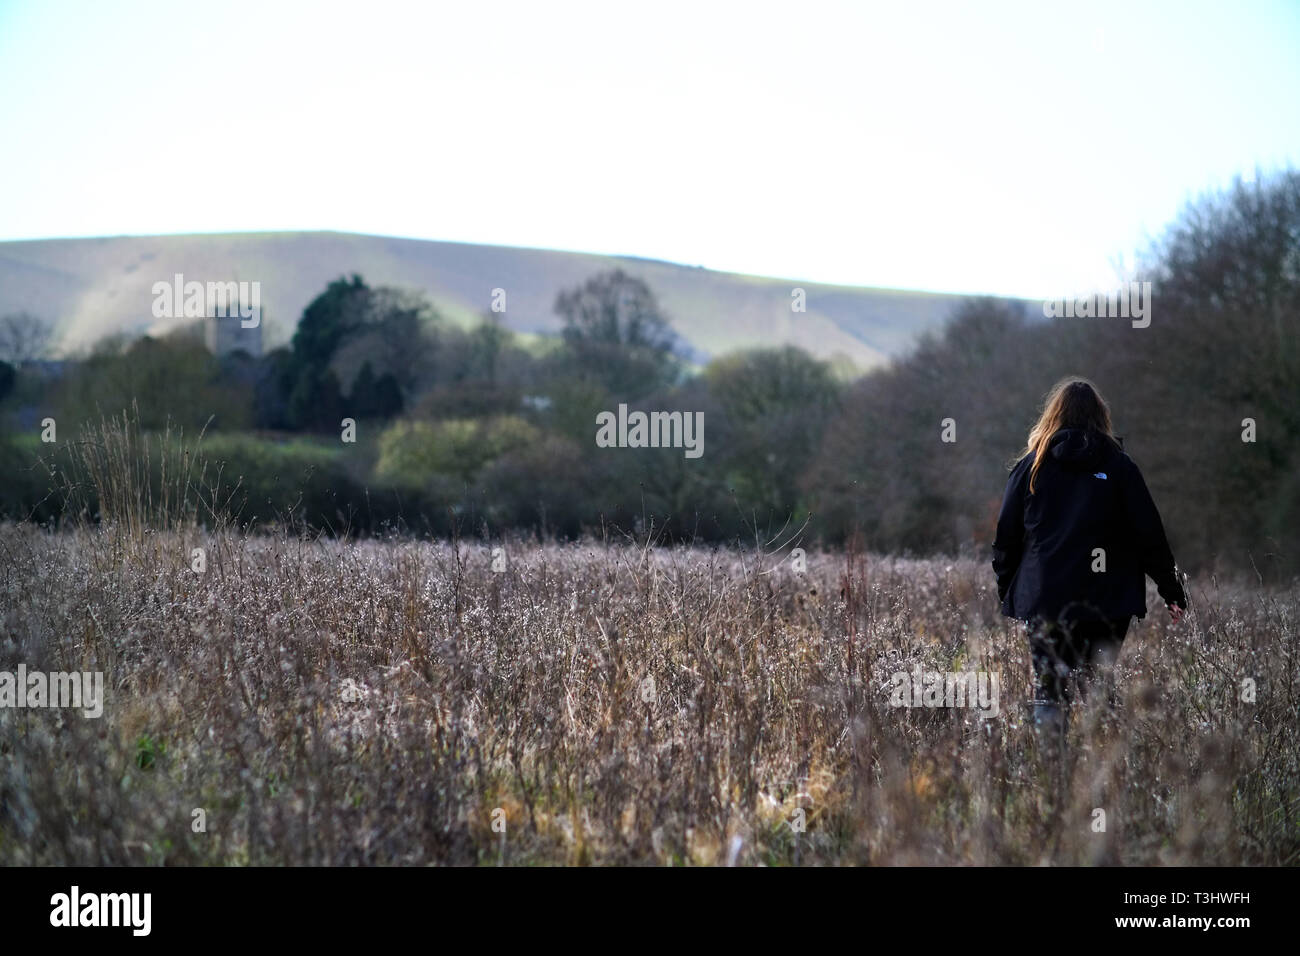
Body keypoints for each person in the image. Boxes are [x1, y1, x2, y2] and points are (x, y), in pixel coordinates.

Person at [991, 377, 1186, 734]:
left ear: (1053, 415)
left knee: (1050, 692)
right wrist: (1171, 590)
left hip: (1045, 599)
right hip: (1108, 602)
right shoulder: (1121, 468)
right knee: (1099, 688)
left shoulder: (1031, 468)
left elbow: (1006, 538)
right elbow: (1150, 535)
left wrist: (1009, 589)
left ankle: (1056, 779)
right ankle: (1104, 777)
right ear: (1101, 416)